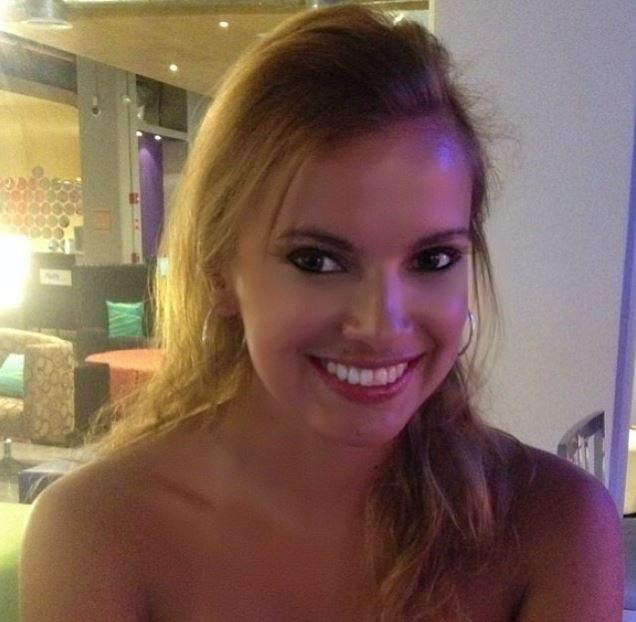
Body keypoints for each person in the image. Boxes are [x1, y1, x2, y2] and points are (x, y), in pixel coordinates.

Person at [20, 6, 622, 622]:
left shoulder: (555, 529)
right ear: (218, 270)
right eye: (317, 260)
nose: (381, 324)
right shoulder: (98, 533)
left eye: (432, 258)